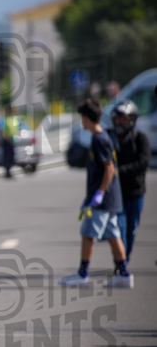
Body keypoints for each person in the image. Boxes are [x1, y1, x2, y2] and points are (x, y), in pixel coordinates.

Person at [60, 98, 132, 289]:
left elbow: (109, 168)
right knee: (113, 234)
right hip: (108, 198)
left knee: (87, 234)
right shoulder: (100, 137)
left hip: (103, 200)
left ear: (86, 118)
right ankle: (124, 273)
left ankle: (83, 274)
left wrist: (98, 194)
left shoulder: (100, 139)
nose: (81, 122)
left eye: (82, 118)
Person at [110, 100, 150, 260]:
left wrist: (119, 171)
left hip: (135, 193)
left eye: (124, 119)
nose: (120, 122)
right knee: (118, 227)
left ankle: (124, 258)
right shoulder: (109, 138)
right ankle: (120, 263)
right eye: (118, 118)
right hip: (116, 193)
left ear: (132, 120)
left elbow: (142, 163)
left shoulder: (140, 139)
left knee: (131, 229)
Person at [1, 105, 17, 179]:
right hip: (6, 141)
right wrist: (6, 137)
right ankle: (7, 172)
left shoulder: (12, 118)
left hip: (12, 141)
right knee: (7, 157)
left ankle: (9, 170)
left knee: (12, 156)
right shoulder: (5, 118)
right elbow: (1, 129)